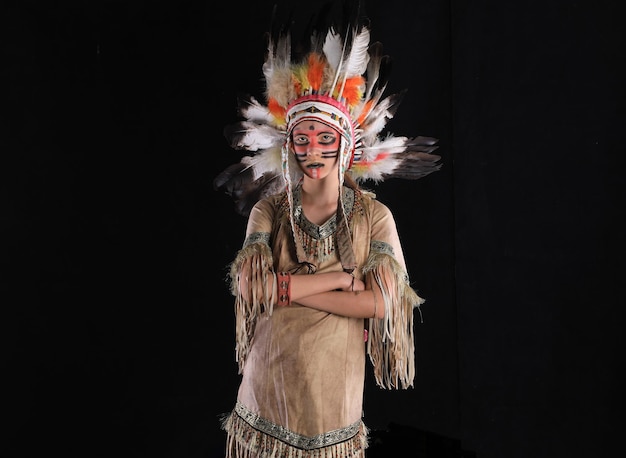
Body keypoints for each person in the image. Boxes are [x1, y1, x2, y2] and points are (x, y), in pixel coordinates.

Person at [214, 4, 441, 457]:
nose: (312, 150)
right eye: (302, 138)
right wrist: (339, 280)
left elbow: (381, 302)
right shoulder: (270, 211)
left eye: (324, 139)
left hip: (333, 399)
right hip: (266, 390)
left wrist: (284, 288)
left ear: (345, 144)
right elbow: (247, 286)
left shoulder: (373, 217)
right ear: (288, 145)